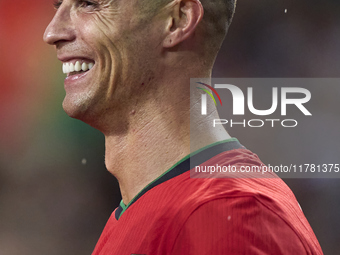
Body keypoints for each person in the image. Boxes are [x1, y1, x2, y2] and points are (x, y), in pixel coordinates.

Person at [44, 0, 323, 254]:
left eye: (89, 4)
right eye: (58, 5)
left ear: (178, 20)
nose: (52, 32)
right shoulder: (157, 207)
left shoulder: (228, 216)